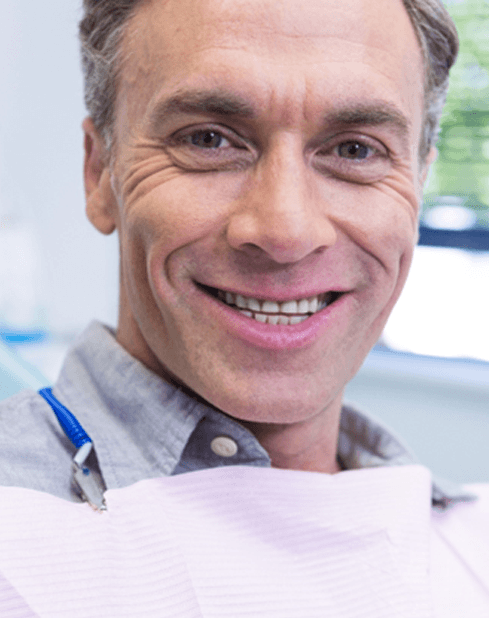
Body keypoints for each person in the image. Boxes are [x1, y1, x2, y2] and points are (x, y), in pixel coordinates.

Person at [0, 0, 487, 615]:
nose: (285, 229)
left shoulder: (468, 548)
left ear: (418, 183)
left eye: (356, 151)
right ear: (100, 173)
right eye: (209, 139)